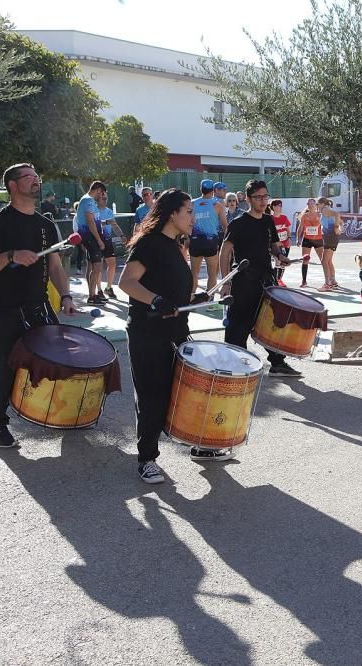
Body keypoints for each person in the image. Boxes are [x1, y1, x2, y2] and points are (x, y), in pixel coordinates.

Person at [0, 163, 78, 449]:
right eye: (29, 178)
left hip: (39, 305)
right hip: (6, 307)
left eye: (37, 178)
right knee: (4, 366)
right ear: (12, 185)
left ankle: (56, 411)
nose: (36, 182)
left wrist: (67, 296)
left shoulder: (47, 225)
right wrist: (11, 256)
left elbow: (55, 265)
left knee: (56, 359)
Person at [119, 188, 208, 483]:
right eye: (189, 212)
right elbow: (127, 283)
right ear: (173, 214)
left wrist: (192, 300)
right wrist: (156, 301)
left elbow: (174, 290)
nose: (193, 218)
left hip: (176, 331)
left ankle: (201, 445)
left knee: (187, 392)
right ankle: (147, 459)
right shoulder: (149, 244)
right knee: (151, 396)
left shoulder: (175, 244)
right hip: (148, 333)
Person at [219, 180, 302, 383]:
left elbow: (274, 246)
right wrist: (226, 282)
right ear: (247, 199)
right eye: (258, 197)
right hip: (243, 282)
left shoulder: (268, 221)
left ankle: (277, 363)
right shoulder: (238, 223)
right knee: (238, 326)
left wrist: (280, 256)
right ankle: (235, 366)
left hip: (266, 280)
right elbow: (225, 252)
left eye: (266, 196)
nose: (263, 201)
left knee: (270, 324)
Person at [190, 178, 228, 298]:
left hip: (195, 241)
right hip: (210, 242)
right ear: (213, 190)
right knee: (212, 274)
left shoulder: (192, 203)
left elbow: (187, 223)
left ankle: (191, 297)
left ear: (201, 189)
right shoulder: (218, 205)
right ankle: (209, 299)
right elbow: (225, 225)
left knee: (193, 273)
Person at [76, 181, 108, 305]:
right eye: (102, 193)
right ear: (99, 190)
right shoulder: (88, 200)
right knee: (97, 266)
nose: (102, 196)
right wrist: (99, 240)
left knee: (93, 266)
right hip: (90, 237)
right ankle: (92, 296)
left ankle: (93, 294)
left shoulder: (87, 200)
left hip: (89, 237)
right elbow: (90, 222)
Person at [98, 201, 125, 300]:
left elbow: (114, 224)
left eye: (105, 198)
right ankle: (99, 290)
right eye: (102, 197)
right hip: (96, 240)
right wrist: (105, 222)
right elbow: (92, 224)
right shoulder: (93, 210)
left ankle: (108, 288)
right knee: (98, 266)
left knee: (112, 264)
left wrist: (121, 235)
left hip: (108, 240)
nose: (104, 200)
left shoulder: (109, 211)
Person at [297, 198, 325, 288]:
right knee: (305, 259)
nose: (311, 205)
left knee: (323, 260)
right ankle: (304, 281)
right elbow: (300, 228)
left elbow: (325, 226)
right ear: (307, 205)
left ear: (315, 205)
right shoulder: (304, 216)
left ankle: (328, 280)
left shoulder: (320, 215)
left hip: (318, 239)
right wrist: (298, 239)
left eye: (313, 204)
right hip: (307, 239)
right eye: (309, 204)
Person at [316, 197, 341, 290]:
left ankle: (327, 284)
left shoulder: (325, 210)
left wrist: (336, 227)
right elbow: (339, 219)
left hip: (330, 237)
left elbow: (337, 214)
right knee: (328, 261)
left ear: (322, 204)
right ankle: (333, 281)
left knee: (324, 261)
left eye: (317, 204)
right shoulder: (326, 210)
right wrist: (338, 227)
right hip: (331, 237)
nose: (316, 206)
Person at [269, 199, 291, 286]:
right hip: (275, 245)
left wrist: (289, 238)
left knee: (283, 262)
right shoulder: (270, 218)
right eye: (278, 205)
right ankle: (276, 280)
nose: (280, 207)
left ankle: (279, 279)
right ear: (273, 207)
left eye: (281, 205)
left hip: (285, 243)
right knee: (278, 261)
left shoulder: (284, 217)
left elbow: (288, 230)